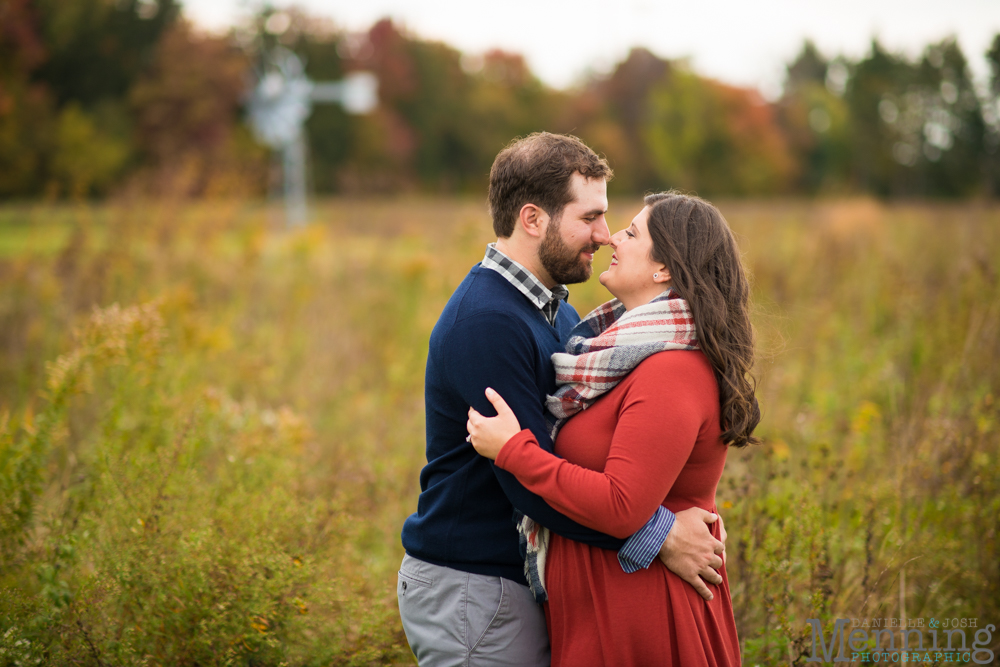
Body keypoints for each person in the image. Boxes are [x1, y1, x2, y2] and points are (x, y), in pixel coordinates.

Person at [398, 134, 728, 666]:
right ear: (533, 219)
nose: (603, 234)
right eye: (591, 217)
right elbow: (530, 480)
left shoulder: (563, 317)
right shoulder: (488, 322)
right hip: (475, 587)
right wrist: (659, 533)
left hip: (517, 583)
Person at [467, 192, 760, 666]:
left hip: (640, 613)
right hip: (605, 602)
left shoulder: (672, 370)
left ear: (664, 269)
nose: (611, 238)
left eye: (631, 232)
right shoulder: (616, 350)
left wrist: (514, 450)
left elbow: (621, 505)